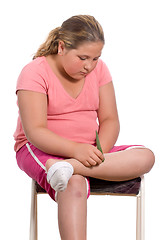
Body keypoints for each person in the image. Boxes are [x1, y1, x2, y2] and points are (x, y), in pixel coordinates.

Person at [14, 15, 155, 240]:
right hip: (41, 149)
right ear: (61, 47)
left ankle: (69, 167)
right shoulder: (34, 72)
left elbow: (110, 119)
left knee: (146, 156)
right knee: (74, 183)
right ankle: (67, 170)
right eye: (82, 58)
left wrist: (99, 152)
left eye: (96, 58)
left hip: (88, 151)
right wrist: (76, 150)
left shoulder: (99, 71)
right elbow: (35, 130)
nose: (89, 66)